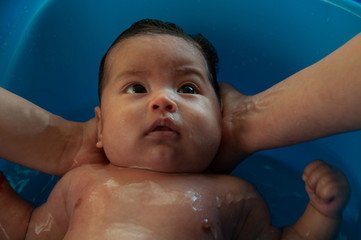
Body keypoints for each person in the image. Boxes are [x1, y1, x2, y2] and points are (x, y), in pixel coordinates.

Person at [0, 19, 350, 240]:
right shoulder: (81, 183)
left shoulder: (234, 195)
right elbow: (32, 231)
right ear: (101, 126)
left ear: (221, 116)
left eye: (188, 89)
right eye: (137, 88)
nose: (164, 100)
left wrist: (321, 213)